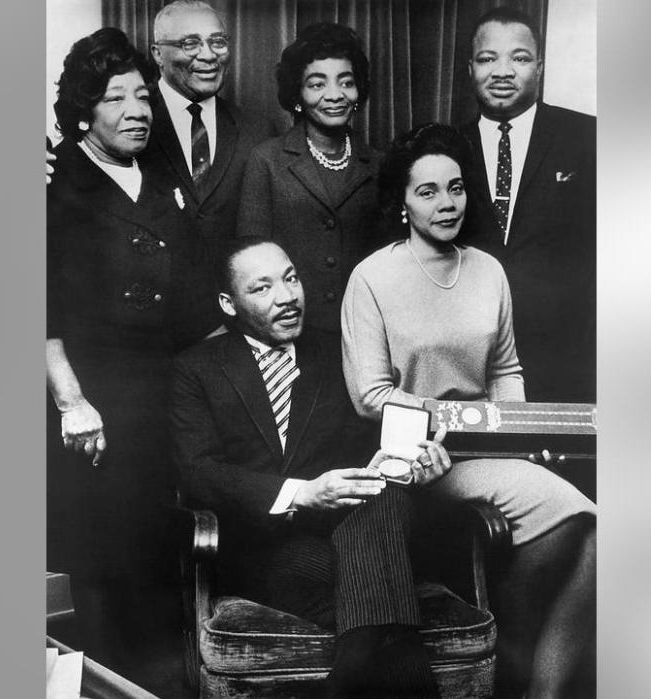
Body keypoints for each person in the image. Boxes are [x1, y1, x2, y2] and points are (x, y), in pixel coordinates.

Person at [341, 123, 595, 699]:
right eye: (427, 191)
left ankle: (539, 688)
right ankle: (513, 651)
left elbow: (506, 368)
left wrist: (519, 430)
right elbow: (370, 394)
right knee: (580, 517)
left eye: (455, 188)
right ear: (401, 203)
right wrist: (446, 420)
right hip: (417, 457)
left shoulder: (488, 270)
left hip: (492, 448)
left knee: (597, 534)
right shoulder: (372, 278)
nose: (446, 202)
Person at [171, 238, 452, 697]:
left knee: (388, 498)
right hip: (263, 546)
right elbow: (198, 471)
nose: (286, 297)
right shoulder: (196, 369)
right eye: (262, 288)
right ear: (229, 303)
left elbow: (366, 454)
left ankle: (348, 677)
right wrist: (300, 492)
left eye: (291, 278)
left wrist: (402, 466)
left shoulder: (335, 354)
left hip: (354, 530)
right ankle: (393, 670)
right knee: (384, 597)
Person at [46, 27, 219, 669]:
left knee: (158, 556)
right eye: (116, 98)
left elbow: (200, 303)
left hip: (161, 396)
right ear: (84, 111)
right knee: (101, 566)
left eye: (142, 96)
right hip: (89, 405)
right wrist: (71, 402)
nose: (136, 111)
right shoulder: (53, 182)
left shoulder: (166, 179)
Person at [458, 7, 596, 404]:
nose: (502, 71)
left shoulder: (590, 139)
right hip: (472, 371)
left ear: (540, 66)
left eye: (518, 58)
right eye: (487, 58)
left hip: (572, 364)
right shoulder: (445, 147)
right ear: (470, 68)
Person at [236, 23, 383, 333]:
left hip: (364, 330)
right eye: (317, 84)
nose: (334, 95)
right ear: (297, 95)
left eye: (346, 82)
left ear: (358, 91)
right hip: (289, 330)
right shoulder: (266, 160)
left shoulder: (379, 165)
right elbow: (251, 263)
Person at [141, 0, 275, 249]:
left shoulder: (257, 131)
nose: (209, 55)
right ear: (158, 54)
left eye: (218, 42)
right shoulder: (130, 120)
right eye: (190, 43)